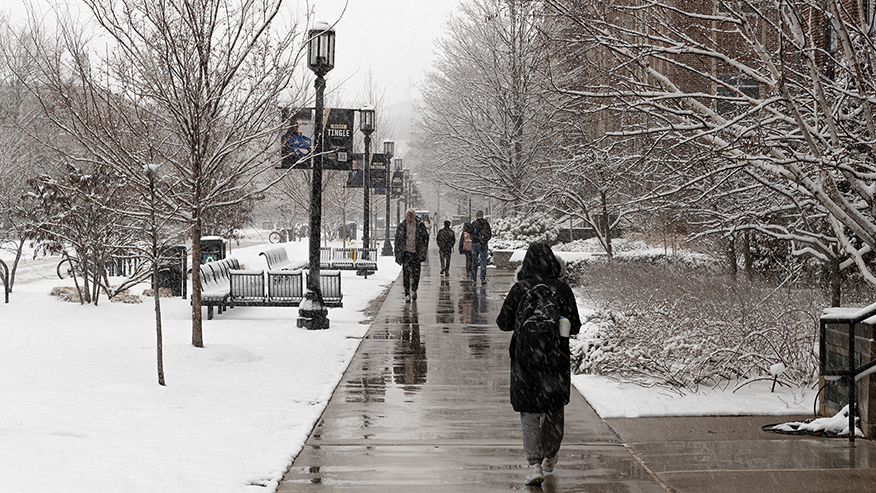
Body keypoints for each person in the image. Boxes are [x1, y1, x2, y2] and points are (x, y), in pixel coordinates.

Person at [496, 243, 581, 486]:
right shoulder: (562, 289)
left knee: (529, 411)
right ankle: (550, 455)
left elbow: (503, 322)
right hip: (555, 359)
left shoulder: (519, 288)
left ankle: (534, 464)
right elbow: (574, 326)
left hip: (525, 361)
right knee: (553, 409)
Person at [394, 208, 429, 302]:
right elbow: (397, 240)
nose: (409, 218)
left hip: (416, 254)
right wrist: (398, 253)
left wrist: (422, 251)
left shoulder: (420, 225)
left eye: (411, 216)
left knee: (416, 274)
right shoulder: (402, 226)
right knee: (406, 274)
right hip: (406, 254)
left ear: (413, 216)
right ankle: (407, 293)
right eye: (408, 216)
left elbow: (425, 239)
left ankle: (414, 289)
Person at [470, 210, 491, 284]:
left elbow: (471, 234)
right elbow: (489, 234)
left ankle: (473, 277)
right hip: (484, 244)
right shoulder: (486, 224)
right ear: (483, 215)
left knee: (474, 261)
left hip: (475, 244)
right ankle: (482, 278)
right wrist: (484, 240)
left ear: (476, 215)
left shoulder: (474, 224)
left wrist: (475, 239)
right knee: (483, 261)